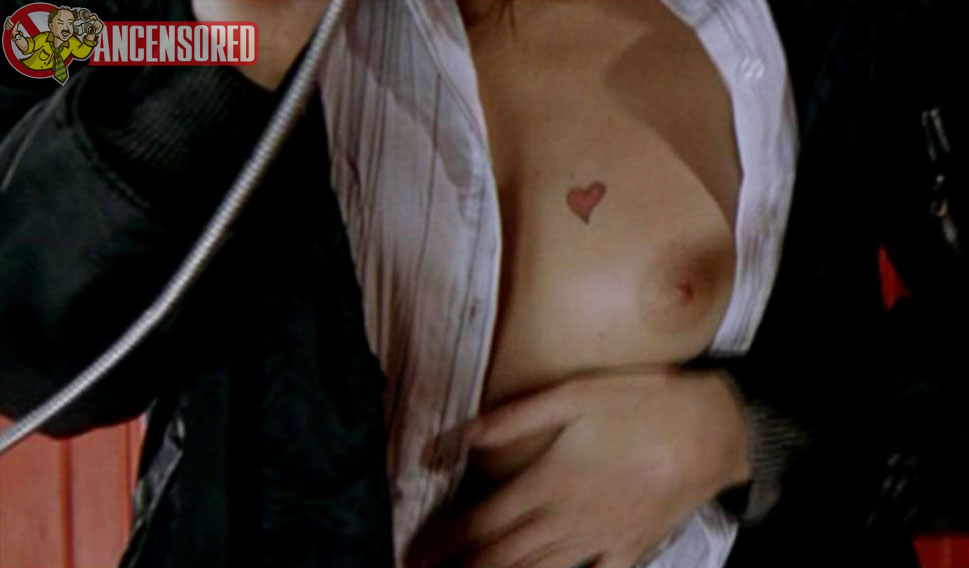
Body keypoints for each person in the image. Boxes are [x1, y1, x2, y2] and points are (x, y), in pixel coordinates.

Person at [0, 0, 935, 567]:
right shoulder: (131, 21)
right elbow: (29, 359)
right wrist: (227, 53)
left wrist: (738, 433)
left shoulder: (809, 29)